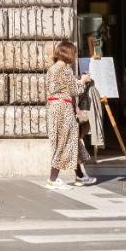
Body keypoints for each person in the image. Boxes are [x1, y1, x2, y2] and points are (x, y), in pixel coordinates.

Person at [46, 41, 96, 189]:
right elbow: (75, 90)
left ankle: (80, 177)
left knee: (71, 140)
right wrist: (83, 80)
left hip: (54, 108)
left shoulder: (53, 69)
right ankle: (52, 180)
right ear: (68, 53)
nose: (75, 55)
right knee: (65, 142)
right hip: (63, 109)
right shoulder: (65, 69)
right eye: (74, 52)